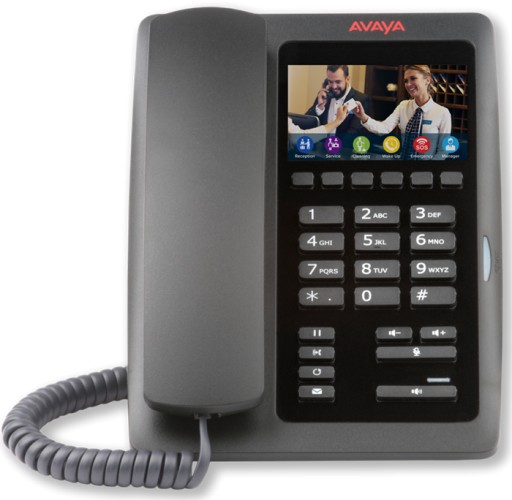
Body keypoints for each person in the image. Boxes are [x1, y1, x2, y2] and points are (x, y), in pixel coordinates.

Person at [353, 64, 451, 159]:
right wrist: (363, 116)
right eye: (406, 81)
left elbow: (443, 151)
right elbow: (384, 128)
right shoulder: (403, 106)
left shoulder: (442, 113)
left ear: (427, 80)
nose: (408, 84)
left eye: (413, 78)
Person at [305, 65, 371, 136]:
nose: (334, 86)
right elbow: (305, 124)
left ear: (347, 79)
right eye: (330, 82)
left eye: (338, 82)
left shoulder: (361, 99)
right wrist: (319, 107)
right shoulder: (323, 96)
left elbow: (354, 133)